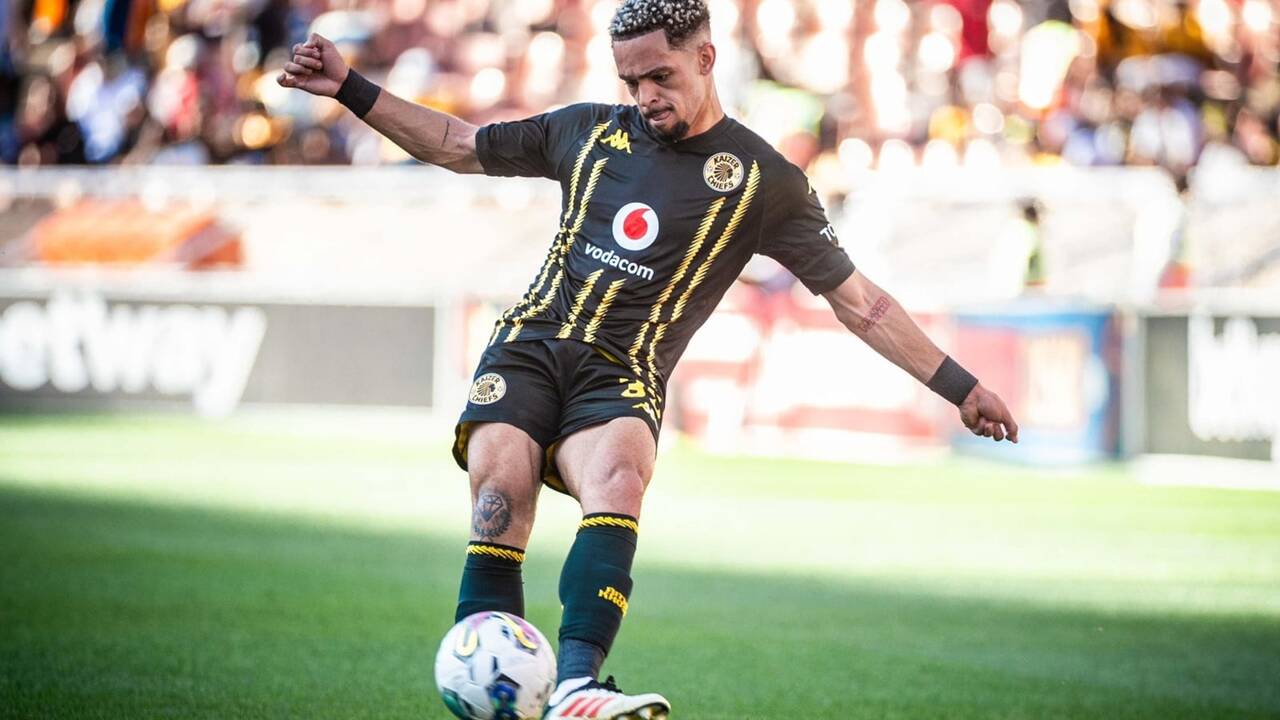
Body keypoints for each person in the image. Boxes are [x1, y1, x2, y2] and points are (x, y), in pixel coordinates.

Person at [279, 1, 1019, 717]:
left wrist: (959, 386)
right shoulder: (586, 131)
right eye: (631, 80)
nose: (644, 97)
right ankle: (496, 695)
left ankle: (575, 688)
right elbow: (457, 143)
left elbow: (860, 303)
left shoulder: (763, 181)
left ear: (706, 57)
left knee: (619, 478)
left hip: (623, 371)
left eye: (660, 76)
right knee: (500, 493)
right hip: (531, 345)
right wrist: (350, 88)